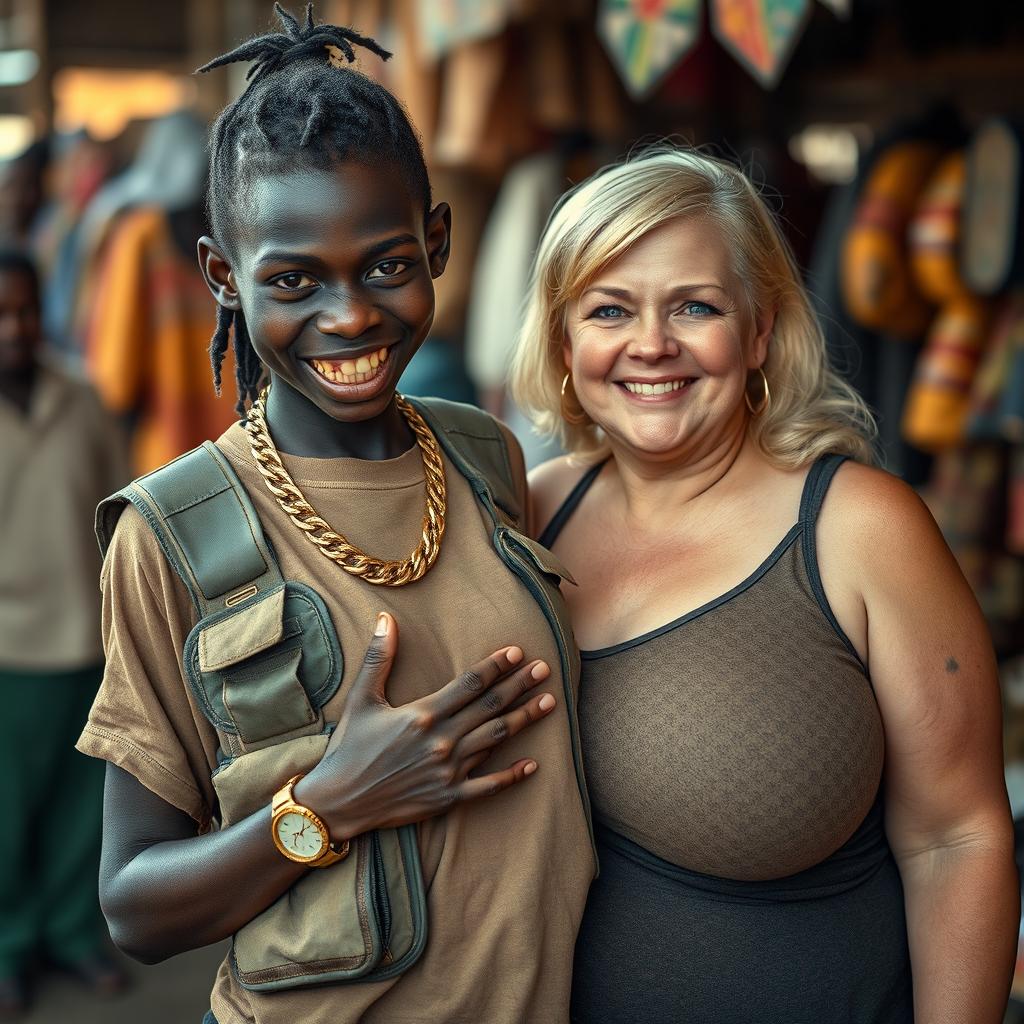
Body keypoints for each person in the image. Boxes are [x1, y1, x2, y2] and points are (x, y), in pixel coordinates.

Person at [75, 7, 594, 1024]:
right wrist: (323, 806)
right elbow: (134, 907)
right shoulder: (171, 533)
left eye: (387, 265)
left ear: (435, 243)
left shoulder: (485, 458)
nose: (350, 314)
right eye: (293, 280)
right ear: (225, 277)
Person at [513, 146, 1019, 1024]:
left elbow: (959, 838)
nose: (650, 345)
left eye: (695, 306)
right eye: (609, 310)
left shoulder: (860, 528)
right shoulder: (525, 514)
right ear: (565, 339)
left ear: (759, 332)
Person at [0, 249, 129, 1018]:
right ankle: (10, 944)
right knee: (7, 816)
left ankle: (74, 932)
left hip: (88, 636)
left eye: (23, 310)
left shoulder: (81, 397)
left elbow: (117, 517)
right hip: (8, 651)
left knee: (87, 808)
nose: (13, 328)